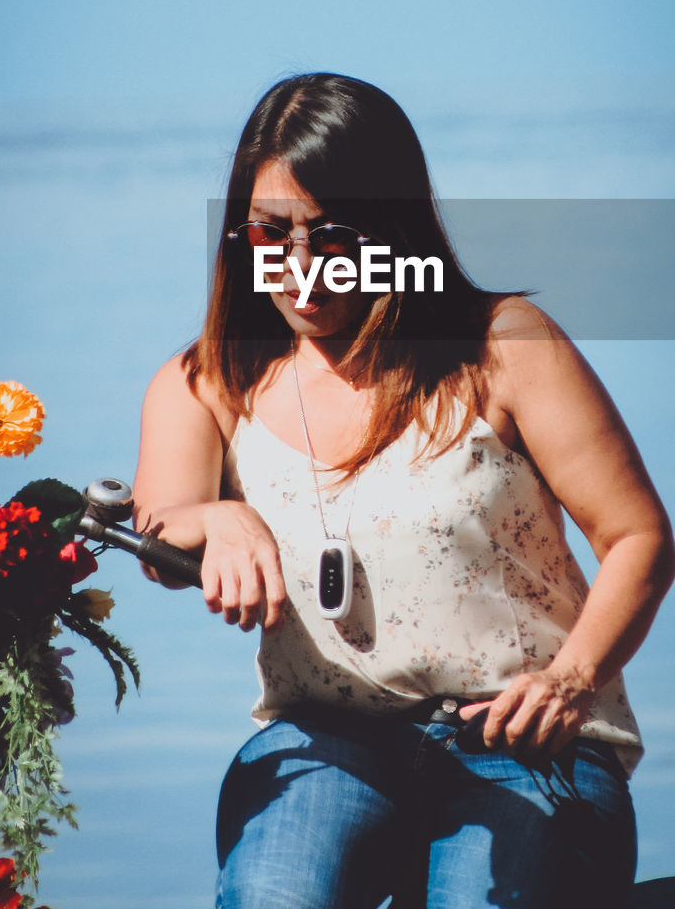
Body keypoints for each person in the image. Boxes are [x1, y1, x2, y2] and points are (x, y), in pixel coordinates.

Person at [132, 73, 674, 909]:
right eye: (272, 232)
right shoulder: (207, 381)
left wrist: (571, 680)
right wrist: (217, 515)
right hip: (327, 748)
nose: (301, 266)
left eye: (334, 234)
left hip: (520, 744)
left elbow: (640, 536)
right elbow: (161, 533)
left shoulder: (500, 345)